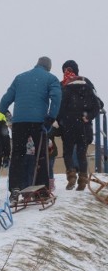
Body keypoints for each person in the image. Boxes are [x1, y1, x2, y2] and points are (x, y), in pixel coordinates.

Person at [0, 57, 61, 201]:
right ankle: (42, 191)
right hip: (39, 122)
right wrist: (51, 118)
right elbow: (56, 97)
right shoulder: (50, 78)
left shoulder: (20, 78)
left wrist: (8, 116)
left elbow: (4, 101)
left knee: (17, 155)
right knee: (41, 156)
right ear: (49, 67)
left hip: (19, 122)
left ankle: (15, 189)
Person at [57, 60, 102, 191]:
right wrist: (88, 115)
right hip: (84, 125)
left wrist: (59, 120)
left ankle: (71, 176)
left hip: (68, 125)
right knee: (81, 153)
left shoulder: (62, 86)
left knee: (68, 152)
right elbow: (98, 103)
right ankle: (82, 179)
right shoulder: (86, 83)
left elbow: (58, 107)